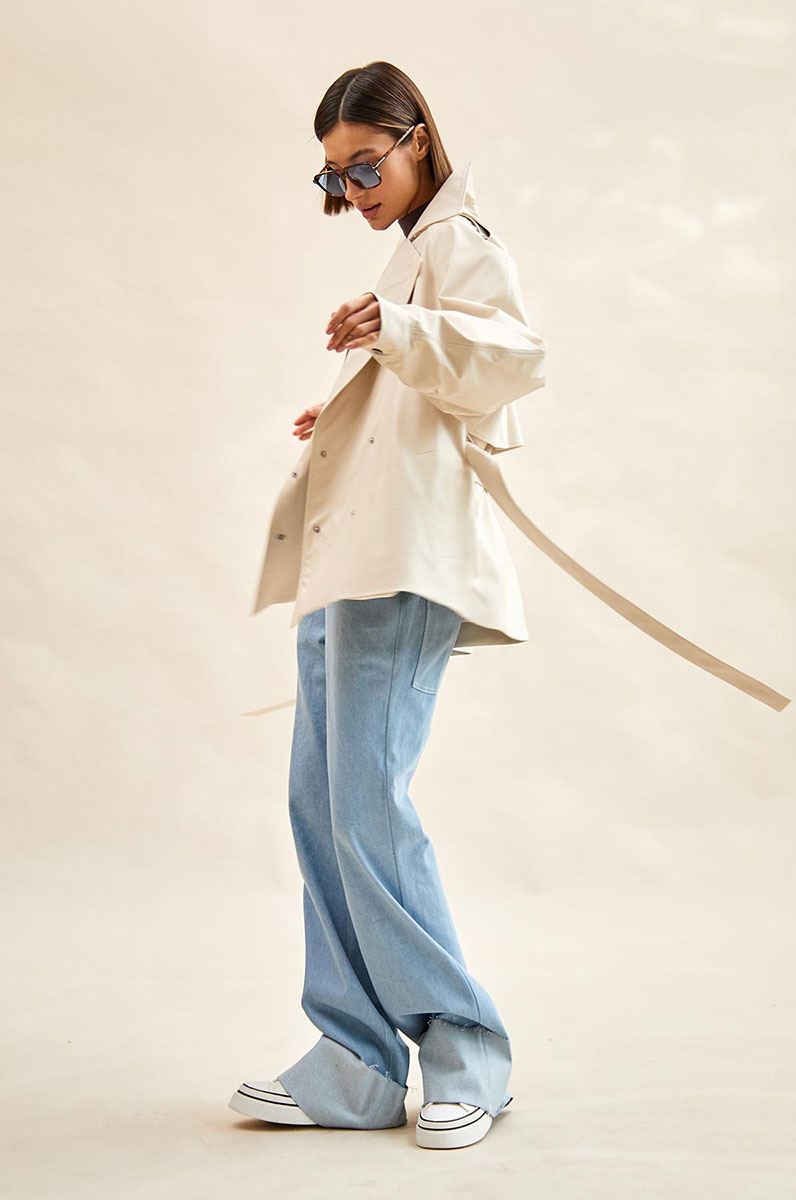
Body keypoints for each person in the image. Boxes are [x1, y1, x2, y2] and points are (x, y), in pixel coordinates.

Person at [229, 60, 547, 1150]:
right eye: (333, 178)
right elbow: (428, 386)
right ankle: (357, 1062)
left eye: (364, 166)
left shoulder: (458, 240)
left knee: (366, 804)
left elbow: (510, 363)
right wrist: (353, 402)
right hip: (351, 554)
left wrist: (394, 336)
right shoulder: (412, 253)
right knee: (319, 805)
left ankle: (467, 1050)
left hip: (400, 561)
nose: (352, 192)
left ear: (417, 139)